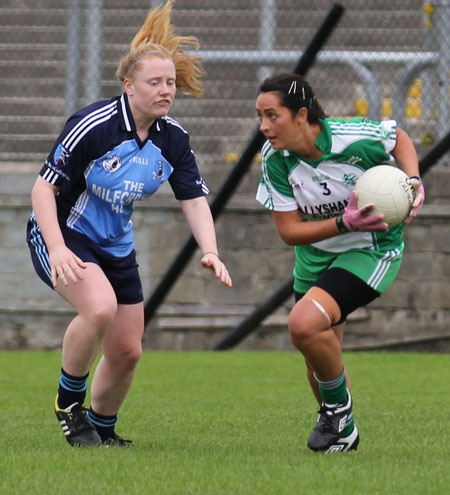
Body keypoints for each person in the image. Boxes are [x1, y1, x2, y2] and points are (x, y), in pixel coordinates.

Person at [26, 0, 232, 447]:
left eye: (170, 82)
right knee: (98, 307)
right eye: (154, 82)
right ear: (128, 86)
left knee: (127, 350)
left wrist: (210, 250)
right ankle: (68, 406)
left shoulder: (172, 138)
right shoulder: (94, 126)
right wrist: (58, 249)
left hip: (115, 244)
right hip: (64, 233)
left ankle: (102, 428)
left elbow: (194, 199)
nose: (165, 90)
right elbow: (43, 190)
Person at [255, 73, 424, 453]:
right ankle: (340, 432)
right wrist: (341, 221)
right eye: (259, 116)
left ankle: (339, 413)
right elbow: (289, 231)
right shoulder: (275, 159)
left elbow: (398, 138)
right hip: (316, 256)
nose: (264, 127)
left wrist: (413, 180)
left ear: (301, 115)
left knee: (303, 324)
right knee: (316, 350)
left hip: (371, 248)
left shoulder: (351, 136)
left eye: (272, 115)